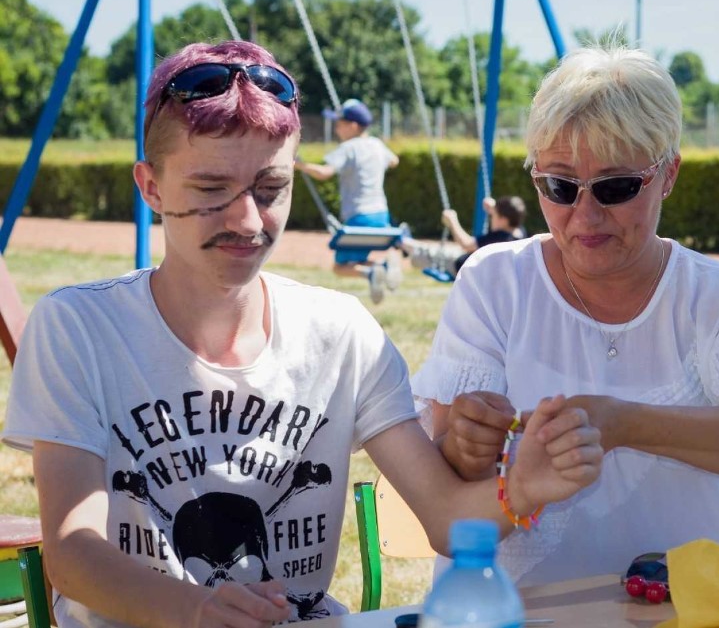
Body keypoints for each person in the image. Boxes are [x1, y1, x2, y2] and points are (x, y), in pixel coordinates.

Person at [0, 40, 604, 627]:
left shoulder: (340, 335)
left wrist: (519, 487)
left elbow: (445, 517)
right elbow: (72, 555)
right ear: (151, 186)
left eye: (271, 190)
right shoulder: (78, 328)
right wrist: (195, 611)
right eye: (211, 189)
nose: (245, 219)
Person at [411, 45, 719, 587]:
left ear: (668, 175)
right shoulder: (494, 282)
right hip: (514, 613)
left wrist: (621, 424)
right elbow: (446, 489)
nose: (586, 213)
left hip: (677, 613)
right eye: (559, 186)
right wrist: (463, 443)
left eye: (616, 186)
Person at [294, 98, 402, 304]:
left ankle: (373, 274)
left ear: (352, 126)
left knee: (340, 267)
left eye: (339, 123)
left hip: (359, 216)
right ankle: (384, 268)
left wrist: (301, 165)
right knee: (358, 259)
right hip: (381, 215)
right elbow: (394, 161)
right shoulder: (376, 145)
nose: (336, 128)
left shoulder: (349, 148)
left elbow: (325, 172)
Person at [402, 195, 527, 278]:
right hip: (465, 259)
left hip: (458, 266)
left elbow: (466, 244)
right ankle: (404, 243)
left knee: (426, 252)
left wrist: (452, 220)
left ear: (504, 220)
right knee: (437, 249)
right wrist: (494, 207)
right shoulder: (519, 232)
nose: (491, 218)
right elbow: (507, 212)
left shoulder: (500, 238)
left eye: (494, 215)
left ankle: (401, 241)